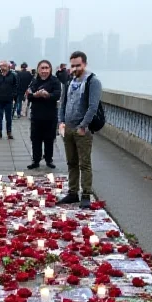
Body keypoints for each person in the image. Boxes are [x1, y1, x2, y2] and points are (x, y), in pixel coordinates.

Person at [58, 51, 101, 209]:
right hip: (68, 128)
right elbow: (63, 102)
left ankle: (86, 194)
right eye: (73, 65)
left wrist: (83, 126)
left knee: (85, 163)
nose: (75, 68)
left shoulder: (92, 81)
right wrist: (61, 121)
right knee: (71, 162)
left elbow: (92, 107)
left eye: (78, 65)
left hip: (82, 129)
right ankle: (73, 192)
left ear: (85, 64)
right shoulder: (70, 81)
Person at [26, 60, 61, 169]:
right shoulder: (34, 81)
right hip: (36, 115)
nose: (44, 70)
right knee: (35, 139)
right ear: (38, 69)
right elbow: (29, 95)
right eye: (42, 68)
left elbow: (57, 95)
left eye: (46, 68)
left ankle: (48, 159)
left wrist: (47, 95)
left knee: (49, 139)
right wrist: (35, 95)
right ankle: (36, 160)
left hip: (50, 116)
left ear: (50, 69)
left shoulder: (55, 81)